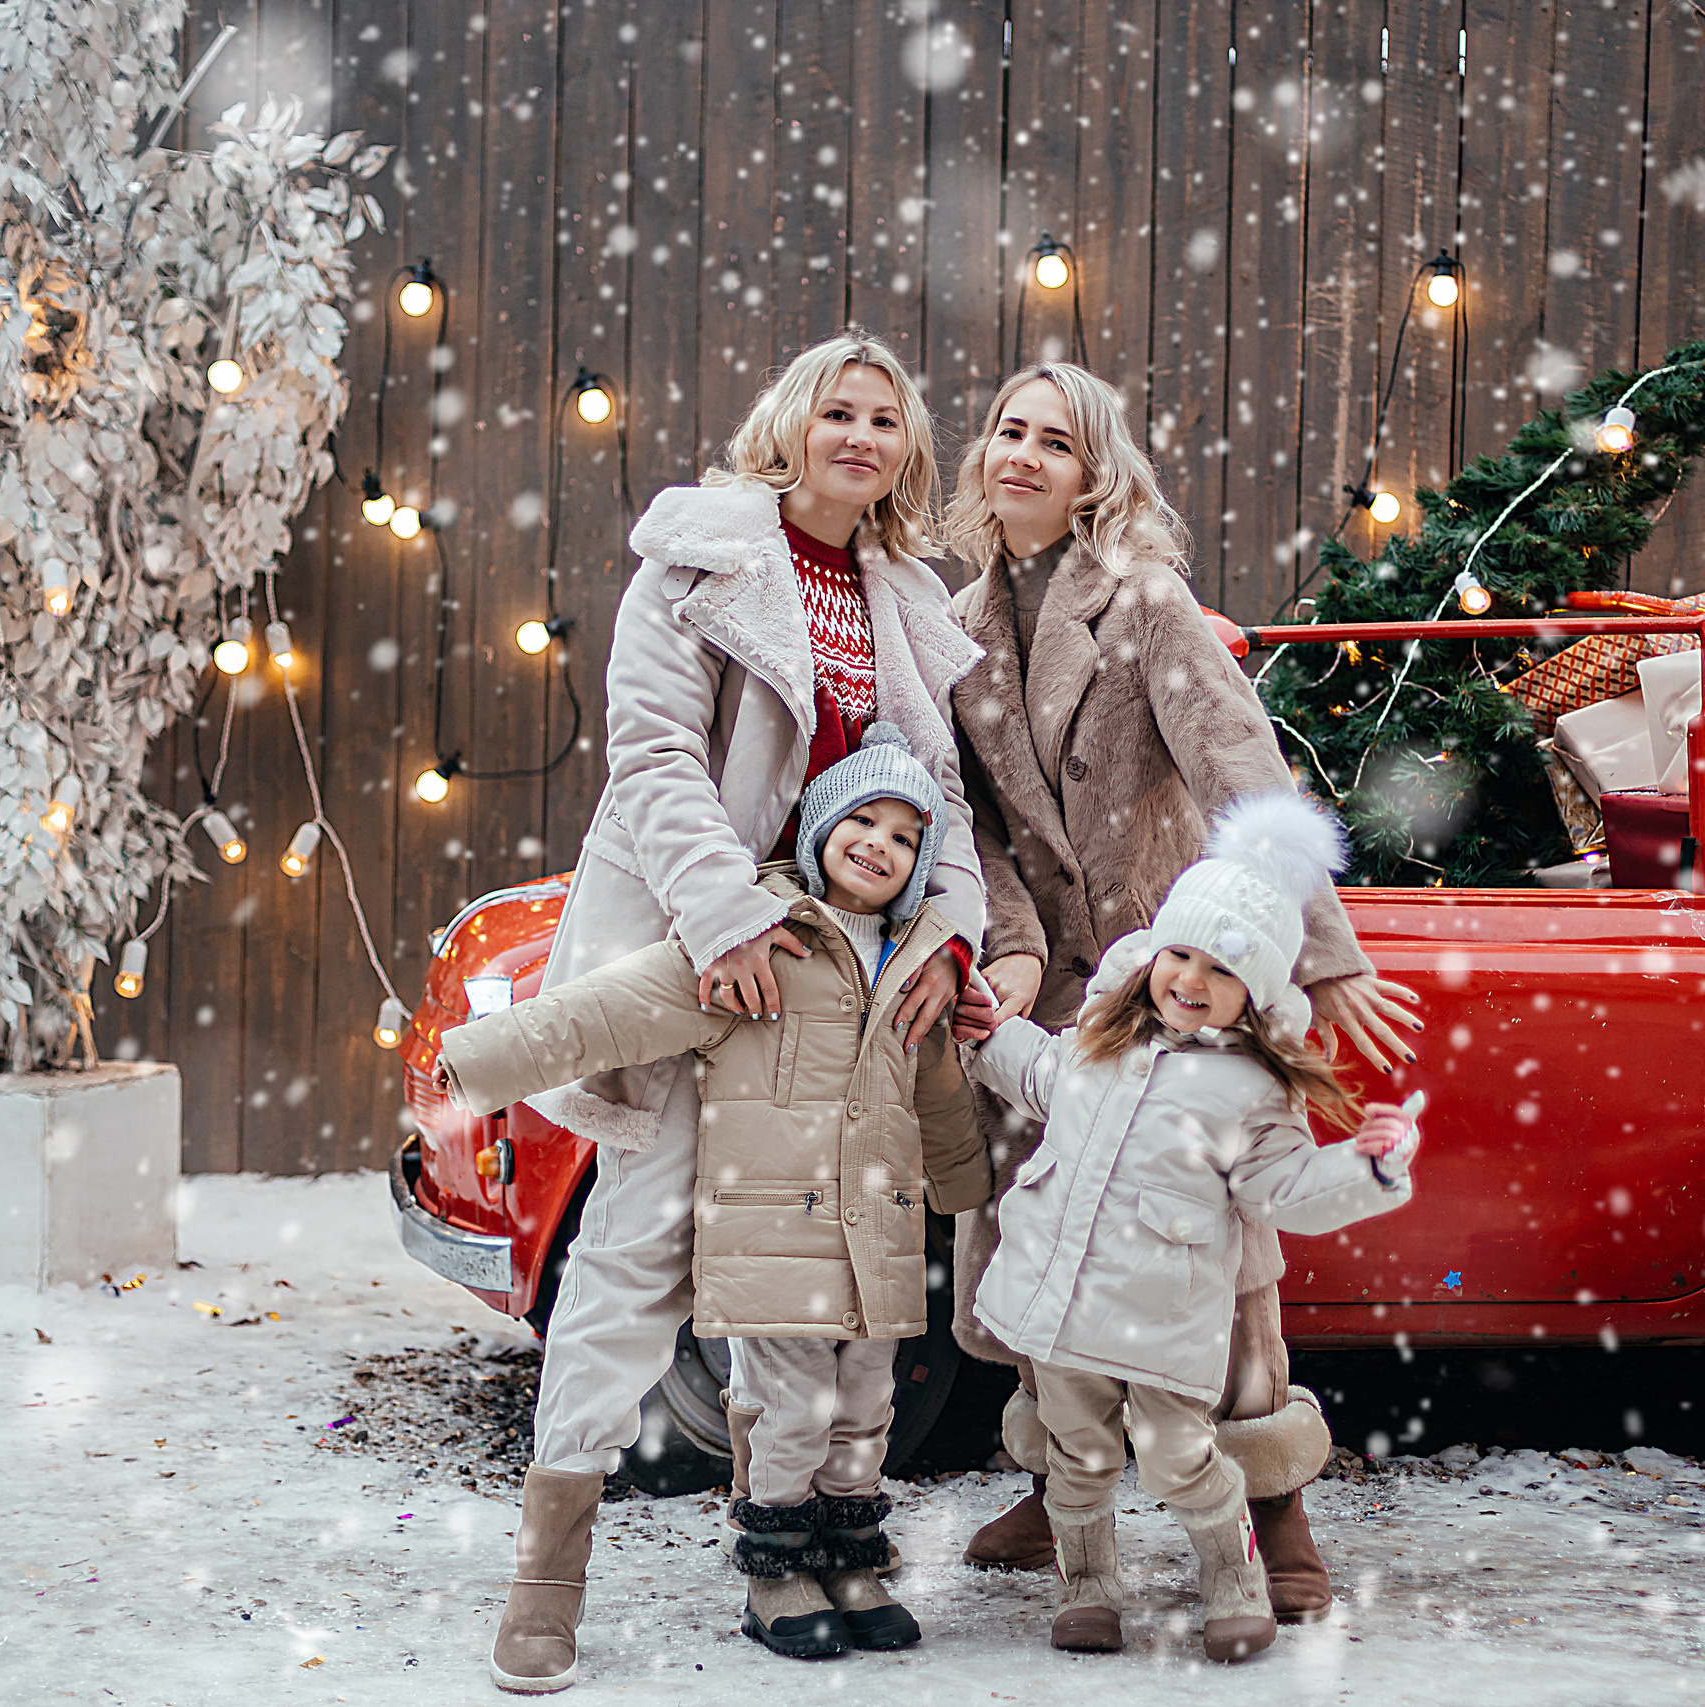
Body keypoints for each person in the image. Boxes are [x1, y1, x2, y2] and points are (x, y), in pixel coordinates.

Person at [482, 332, 985, 1694]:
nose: (863, 435)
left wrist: (950, 934)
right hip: (709, 949)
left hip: (840, 984)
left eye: (887, 418)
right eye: (841, 408)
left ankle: (792, 1546)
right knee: (637, 1244)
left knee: (809, 1262)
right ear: (794, 421)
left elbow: (935, 790)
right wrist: (729, 913)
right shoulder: (697, 559)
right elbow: (648, 751)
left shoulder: (904, 593)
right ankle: (548, 1574)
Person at [940, 362, 1421, 1615]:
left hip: (1181, 967)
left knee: (1222, 1247)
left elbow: (1239, 766)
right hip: (1056, 988)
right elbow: (972, 823)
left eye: (1056, 440)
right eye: (1007, 432)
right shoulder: (955, 624)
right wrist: (1006, 950)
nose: (1024, 456)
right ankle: (1060, 1488)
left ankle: (1273, 1507)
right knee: (1050, 1226)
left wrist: (1320, 951)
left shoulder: (1147, 603)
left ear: (1096, 472)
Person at [438, 727, 990, 1663]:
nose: (879, 845)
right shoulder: (760, 941)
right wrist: (483, 1059)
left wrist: (965, 1184)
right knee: (792, 1409)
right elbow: (616, 1007)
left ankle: (850, 1557)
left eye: (904, 837)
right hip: (774, 1244)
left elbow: (936, 1087)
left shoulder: (914, 965)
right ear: (816, 825)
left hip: (877, 1244)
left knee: (866, 1407)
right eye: (861, 818)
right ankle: (775, 1567)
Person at [955, 792, 1421, 1663]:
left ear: (1257, 992)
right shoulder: (1100, 1037)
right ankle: (1089, 1588)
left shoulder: (1250, 1089)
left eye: (1222, 968)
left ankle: (1234, 1577)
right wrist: (984, 1034)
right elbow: (1039, 1069)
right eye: (1180, 952)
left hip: (1163, 1319)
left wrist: (1366, 1168)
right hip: (1058, 1312)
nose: (1191, 979)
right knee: (1077, 1459)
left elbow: (1284, 1187)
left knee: (1179, 1458)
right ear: (1152, 951)